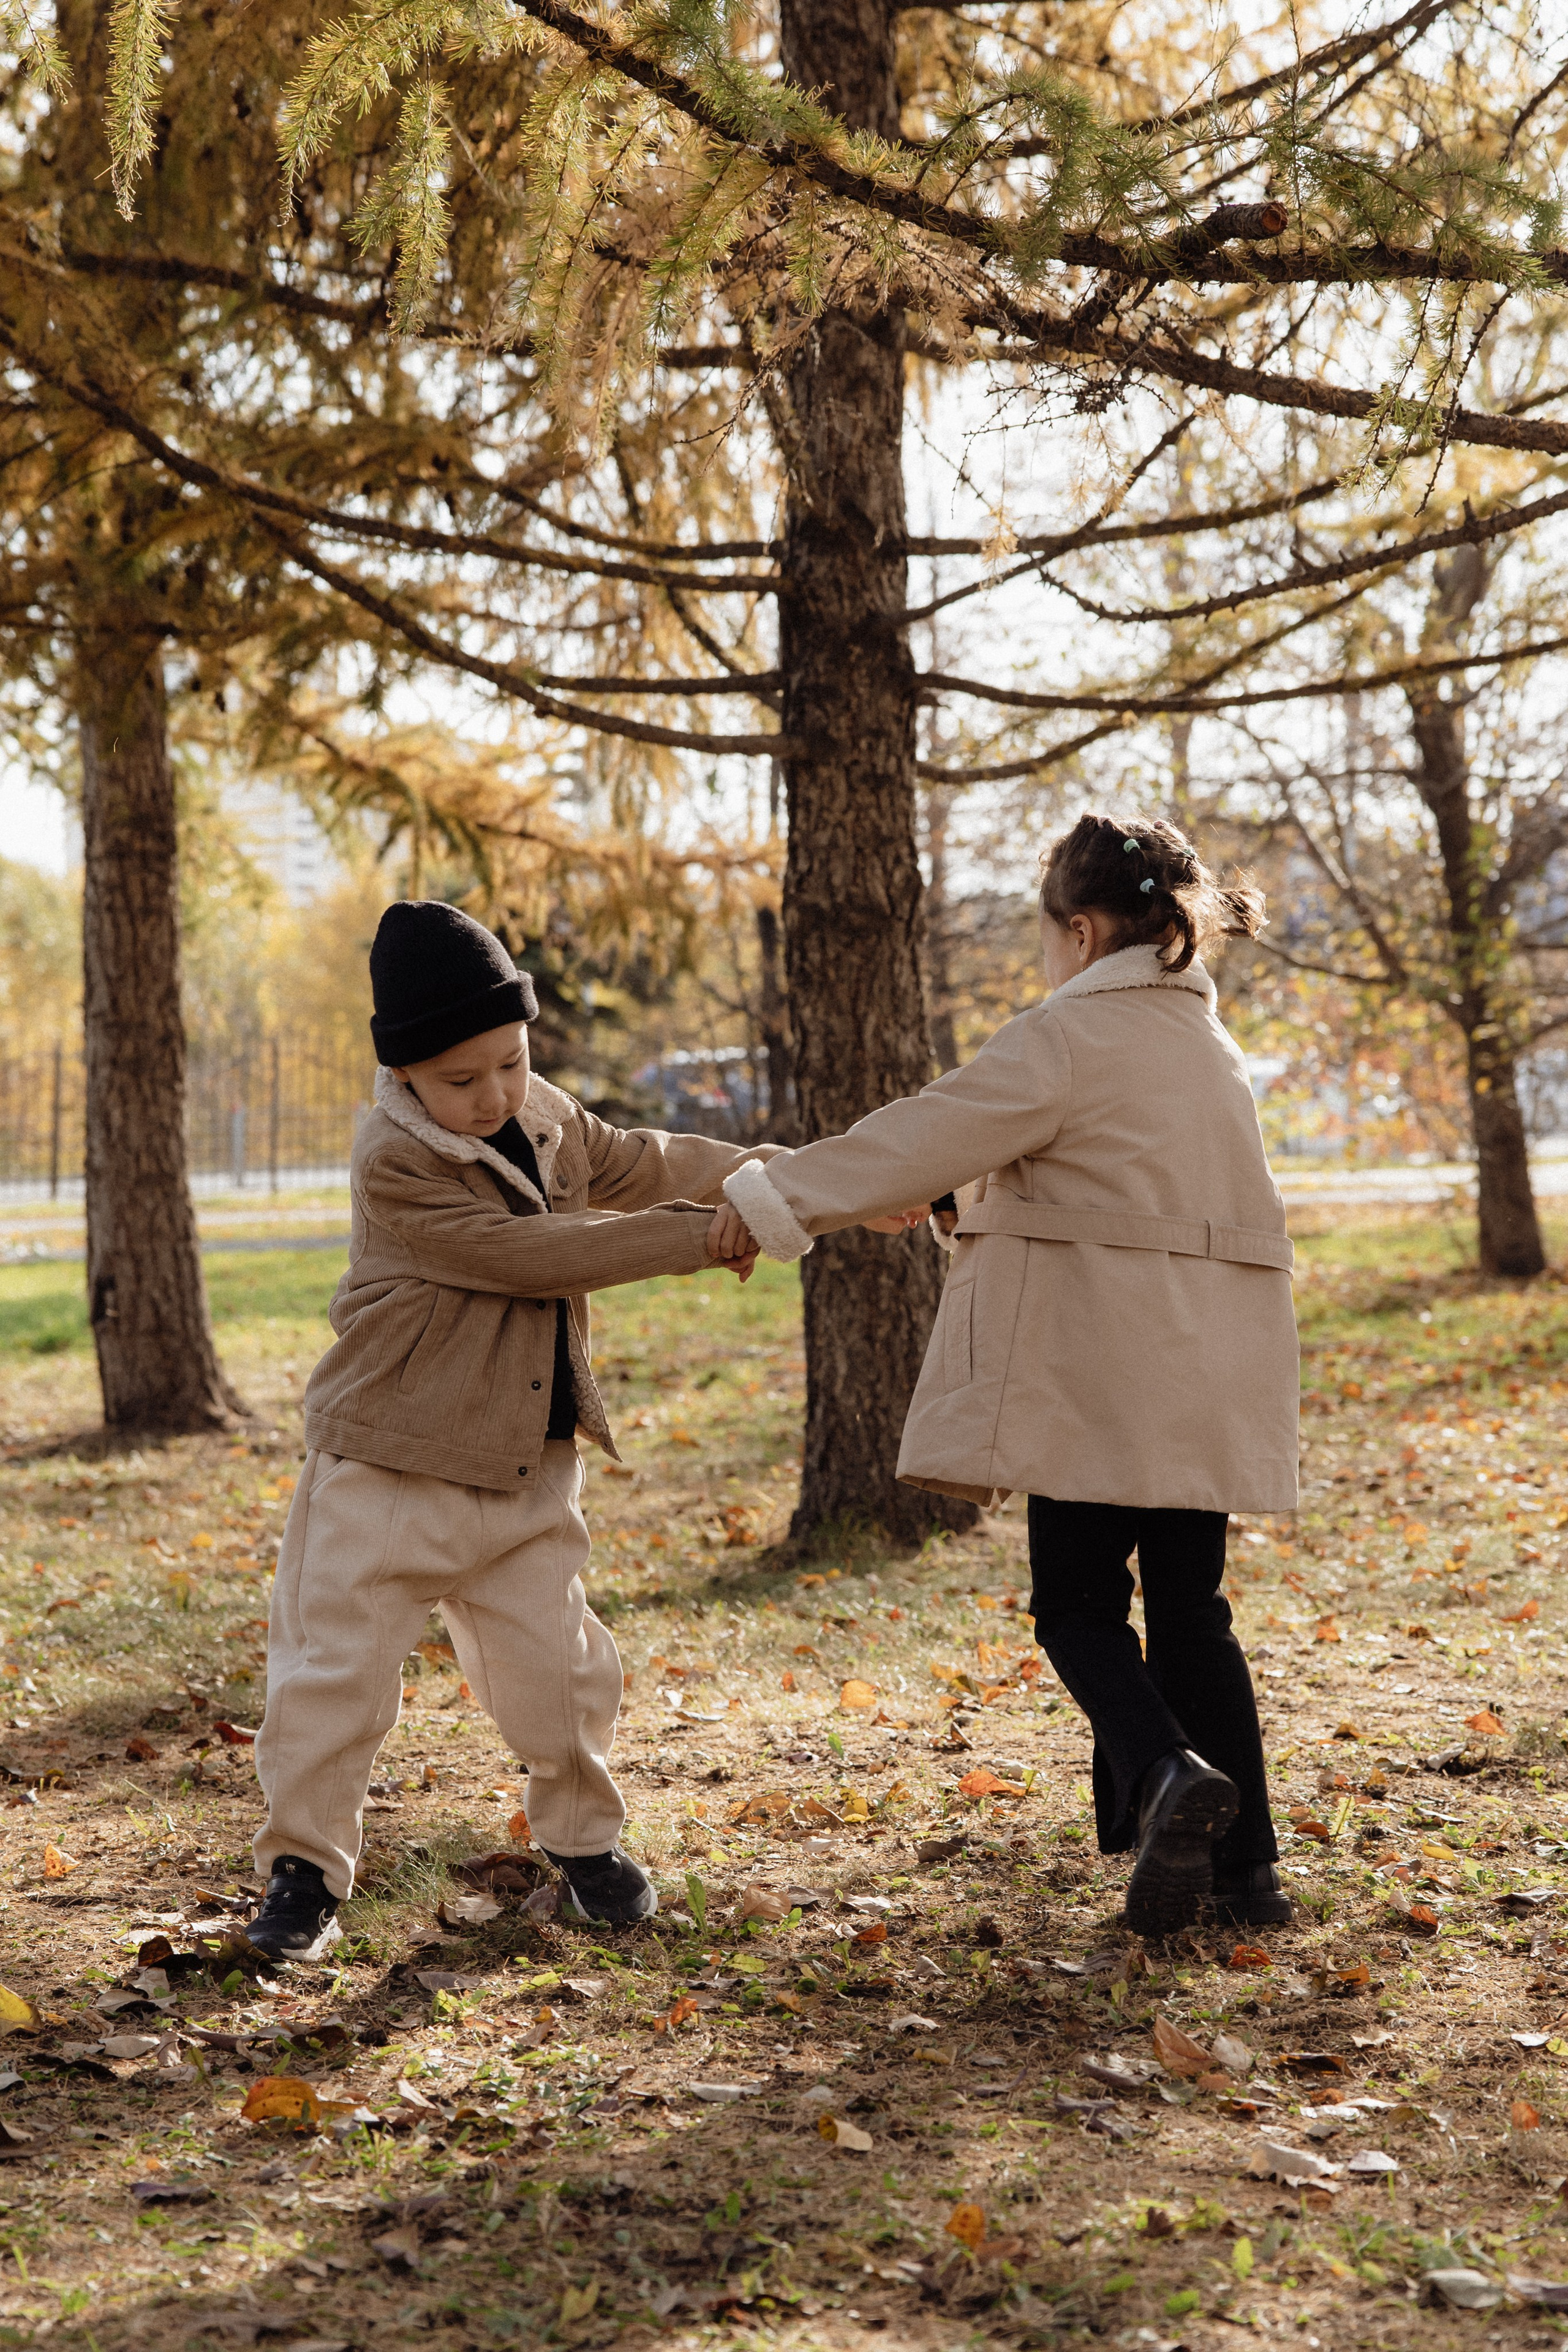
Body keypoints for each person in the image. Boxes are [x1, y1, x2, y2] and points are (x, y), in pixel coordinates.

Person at [714, 815, 1298, 1937]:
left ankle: (1168, 1773)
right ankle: (1249, 1878)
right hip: (1207, 1377)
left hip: (1097, 1379)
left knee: (1076, 1607)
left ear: (1080, 932)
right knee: (1192, 1616)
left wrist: (767, 1202)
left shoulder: (1064, 1040)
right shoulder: (1211, 1052)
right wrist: (952, 1203)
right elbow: (1117, 1188)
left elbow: (923, 1132)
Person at [244, 900, 769, 1960]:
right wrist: (698, 1241)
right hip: (389, 1463)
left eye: (512, 1063)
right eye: (460, 1078)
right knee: (333, 1679)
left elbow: (647, 1158)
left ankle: (583, 1847)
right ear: (403, 1077)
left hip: (527, 1466)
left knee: (561, 1671)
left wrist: (795, 1182)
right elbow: (532, 1257)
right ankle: (302, 1873)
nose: (492, 1096)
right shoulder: (394, 1160)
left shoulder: (543, 1115)